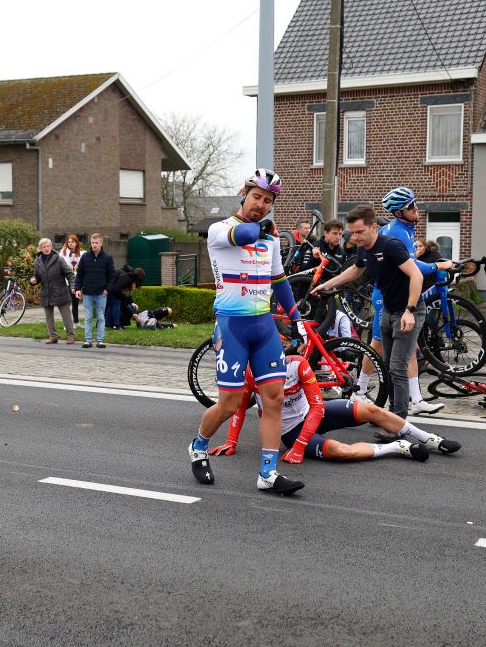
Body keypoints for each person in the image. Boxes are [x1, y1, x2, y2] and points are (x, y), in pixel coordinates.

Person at [188, 168, 306, 495]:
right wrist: (262, 228)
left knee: (274, 399)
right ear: (244, 193)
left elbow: (279, 281)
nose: (261, 204)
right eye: (257, 197)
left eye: (267, 201)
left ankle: (268, 473)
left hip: (264, 326)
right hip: (232, 327)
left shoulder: (268, 238)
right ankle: (198, 447)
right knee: (230, 403)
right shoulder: (220, 229)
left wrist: (295, 318)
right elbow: (244, 236)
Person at [312, 203, 457, 427]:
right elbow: (356, 270)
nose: (356, 237)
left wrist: (409, 311)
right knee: (388, 365)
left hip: (408, 311)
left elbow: (416, 276)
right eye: (353, 233)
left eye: (360, 232)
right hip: (388, 310)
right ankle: (391, 417)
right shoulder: (364, 248)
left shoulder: (391, 246)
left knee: (398, 368)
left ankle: (398, 424)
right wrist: (327, 284)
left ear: (373, 228)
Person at [210, 355, 461, 462]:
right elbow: (239, 408)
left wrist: (300, 448)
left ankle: (427, 438)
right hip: (289, 431)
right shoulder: (252, 374)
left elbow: (318, 407)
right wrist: (232, 441)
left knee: (370, 409)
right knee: (343, 452)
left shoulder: (298, 365)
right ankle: (397, 447)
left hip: (313, 415)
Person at [361, 192, 453, 415]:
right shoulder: (397, 233)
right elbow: (414, 268)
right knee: (377, 345)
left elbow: (410, 262)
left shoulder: (406, 229)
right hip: (386, 296)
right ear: (398, 212)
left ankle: (417, 399)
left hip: (398, 294)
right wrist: (439, 266)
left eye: (415, 205)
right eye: (411, 207)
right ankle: (360, 388)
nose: (416, 210)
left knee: (408, 349)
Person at [30, 238, 76, 344]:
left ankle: (71, 335)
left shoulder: (59, 259)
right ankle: (53, 336)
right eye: (43, 247)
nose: (46, 248)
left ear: (51, 247)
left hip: (61, 291)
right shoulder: (38, 261)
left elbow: (69, 274)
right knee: (48, 316)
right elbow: (37, 275)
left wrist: (72, 286)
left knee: (66, 315)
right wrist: (34, 280)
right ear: (40, 249)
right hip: (46, 292)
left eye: (48, 246)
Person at [73, 233, 115, 349]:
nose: (94, 245)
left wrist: (107, 289)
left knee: (101, 317)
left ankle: (100, 340)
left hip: (101, 293)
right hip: (87, 293)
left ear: (101, 243)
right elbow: (80, 275)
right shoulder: (85, 257)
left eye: (96, 243)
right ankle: (88, 340)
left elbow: (112, 276)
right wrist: (77, 289)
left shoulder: (107, 258)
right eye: (92, 243)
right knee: (88, 317)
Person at [59, 234, 85, 324]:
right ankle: (67, 324)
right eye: (69, 242)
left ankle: (76, 322)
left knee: (75, 303)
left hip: (77, 281)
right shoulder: (63, 253)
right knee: (67, 303)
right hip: (66, 281)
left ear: (76, 243)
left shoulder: (82, 254)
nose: (70, 244)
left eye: (72, 242)